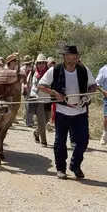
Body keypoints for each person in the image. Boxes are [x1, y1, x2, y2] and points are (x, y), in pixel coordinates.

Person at [38, 45, 97, 179]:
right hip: (62, 110)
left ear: (78, 58)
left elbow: (93, 85)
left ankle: (75, 165)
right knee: (60, 142)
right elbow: (41, 85)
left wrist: (89, 93)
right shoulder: (55, 70)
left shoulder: (83, 69)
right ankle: (60, 168)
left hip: (80, 110)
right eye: (69, 58)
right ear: (63, 57)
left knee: (83, 141)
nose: (71, 61)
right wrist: (54, 93)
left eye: (74, 58)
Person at [28, 54, 50, 147]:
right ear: (36, 64)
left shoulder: (49, 73)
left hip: (48, 99)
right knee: (41, 120)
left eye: (43, 63)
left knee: (47, 119)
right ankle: (43, 140)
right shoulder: (33, 72)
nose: (41, 65)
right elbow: (29, 82)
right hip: (37, 99)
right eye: (39, 63)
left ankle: (37, 133)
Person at [95, 63, 107, 146]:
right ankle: (105, 134)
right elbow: (96, 83)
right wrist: (103, 91)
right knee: (106, 117)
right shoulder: (104, 69)